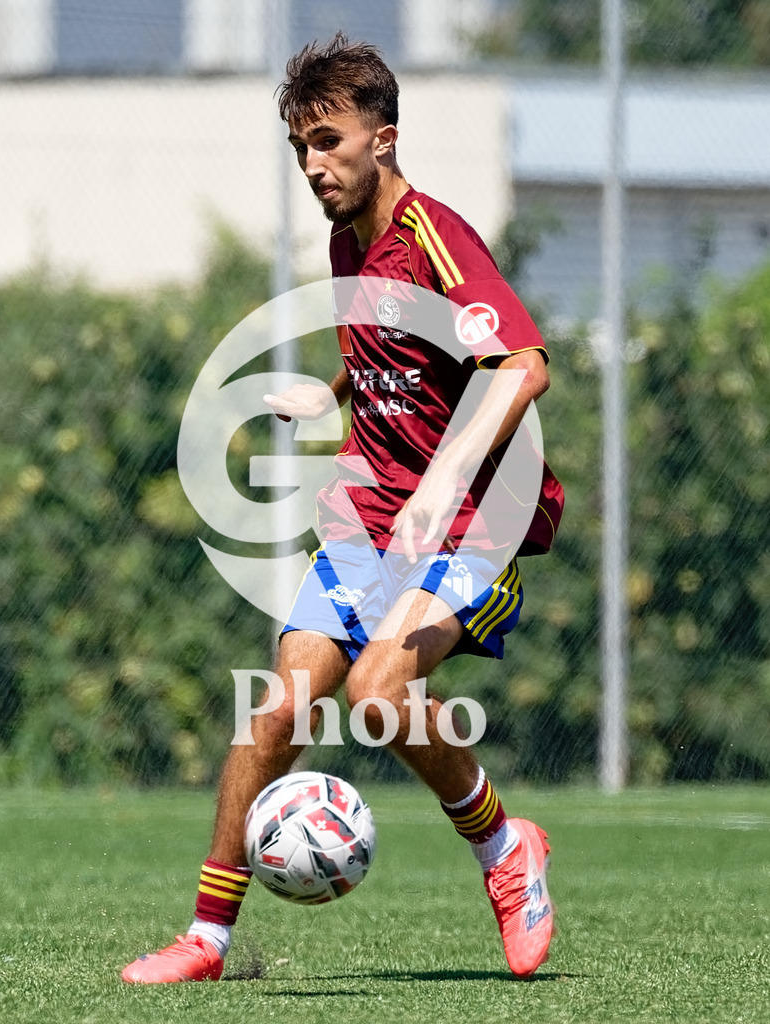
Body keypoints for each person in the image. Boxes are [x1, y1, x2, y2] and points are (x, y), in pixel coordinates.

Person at [121, 33, 563, 984]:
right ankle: (207, 939)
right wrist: (336, 391)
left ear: (384, 137)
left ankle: (504, 851)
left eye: (328, 141)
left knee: (375, 693)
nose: (314, 165)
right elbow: (401, 352)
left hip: (470, 530)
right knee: (277, 709)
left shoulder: (437, 236)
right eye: (300, 150)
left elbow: (518, 363)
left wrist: (443, 480)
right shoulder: (345, 238)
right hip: (371, 521)